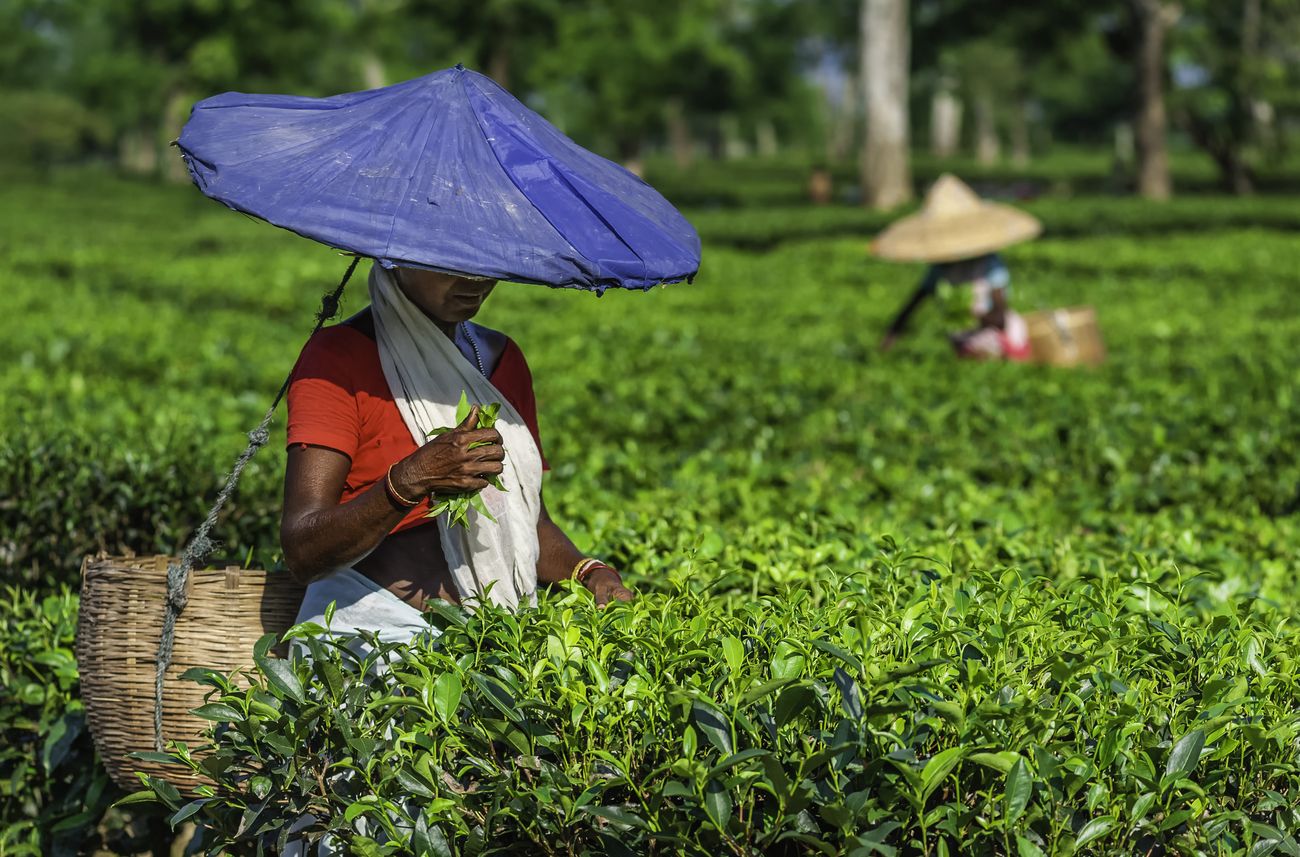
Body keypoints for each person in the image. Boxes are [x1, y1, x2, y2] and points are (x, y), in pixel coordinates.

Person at [281, 263, 634, 646]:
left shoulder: (501, 359)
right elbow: (303, 550)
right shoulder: (337, 358)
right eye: (450, 265)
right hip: (368, 638)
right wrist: (410, 479)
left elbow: (527, 520)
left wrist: (588, 571)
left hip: (488, 639)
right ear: (394, 257)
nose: (475, 281)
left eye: (487, 264)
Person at [873, 174, 1042, 361]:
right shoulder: (941, 268)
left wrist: (971, 313)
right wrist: (893, 333)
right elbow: (915, 301)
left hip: (1000, 338)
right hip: (964, 339)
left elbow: (1000, 319)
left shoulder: (990, 264)